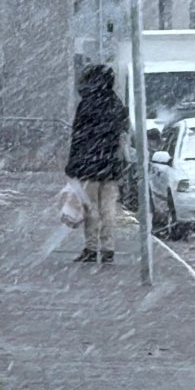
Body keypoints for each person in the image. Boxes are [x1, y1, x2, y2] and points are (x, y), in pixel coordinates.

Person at [65, 65, 129, 263]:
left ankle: (92, 248)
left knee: (90, 207)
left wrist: (73, 165)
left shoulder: (87, 104)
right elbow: (123, 132)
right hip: (110, 164)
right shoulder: (116, 103)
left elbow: (78, 137)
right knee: (108, 208)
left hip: (89, 165)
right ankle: (108, 247)